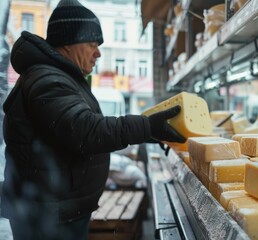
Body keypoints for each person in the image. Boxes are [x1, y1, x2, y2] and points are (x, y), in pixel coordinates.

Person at [1, 0, 186, 239]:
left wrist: (149, 132)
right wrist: (146, 126)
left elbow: (78, 126)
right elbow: (85, 131)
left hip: (57, 209)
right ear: (68, 42)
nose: (98, 52)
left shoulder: (57, 77)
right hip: (47, 216)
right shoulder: (47, 79)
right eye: (92, 44)